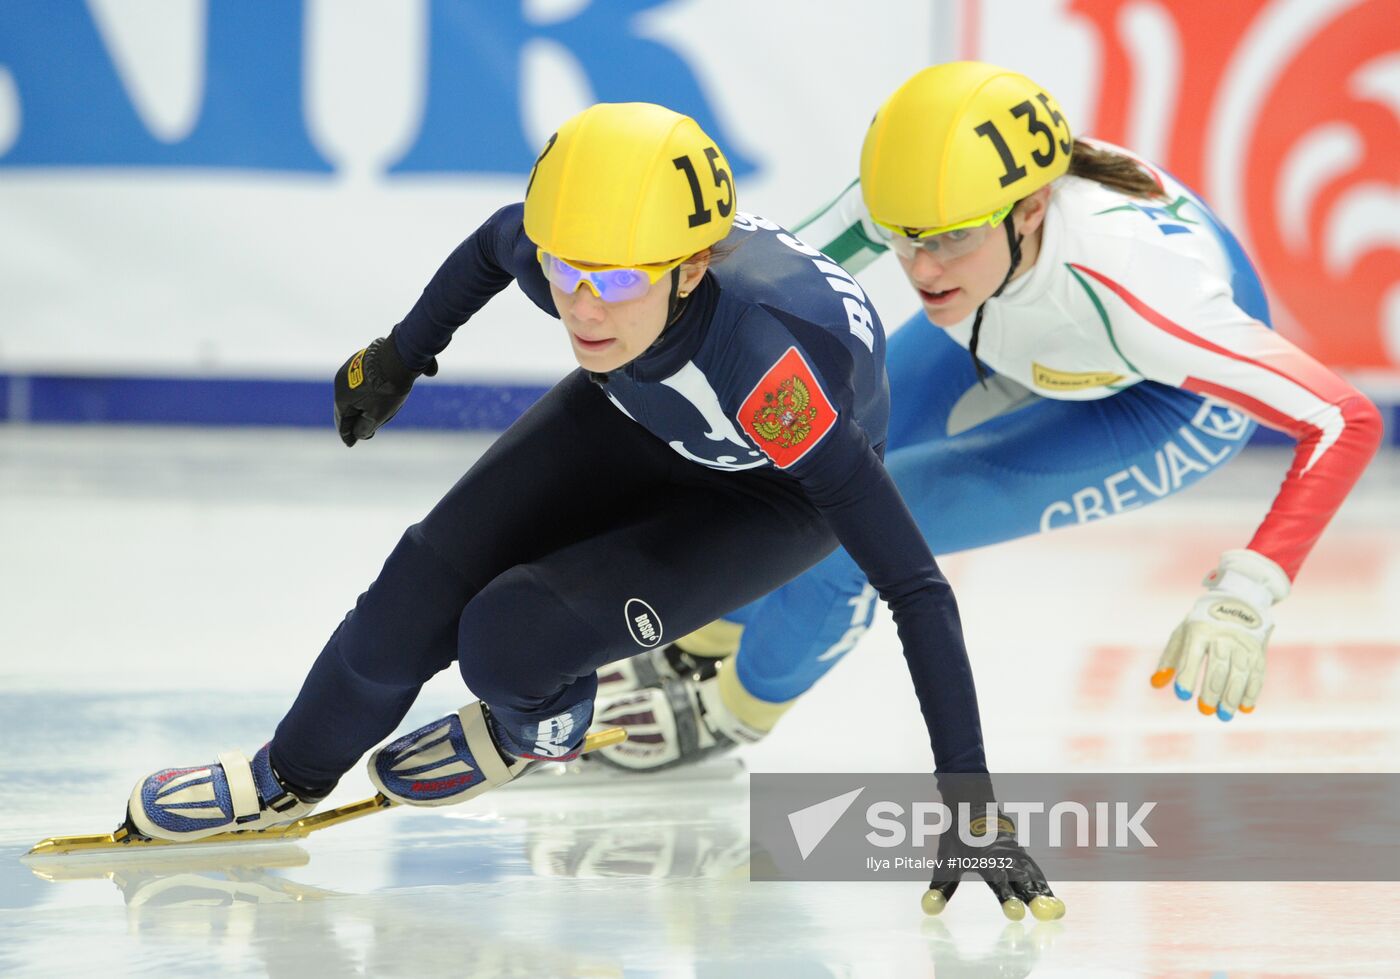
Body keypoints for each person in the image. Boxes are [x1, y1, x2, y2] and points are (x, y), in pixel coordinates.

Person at [122, 101, 1062, 920]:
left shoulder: (770, 372)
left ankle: (547, 723)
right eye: (569, 271)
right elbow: (495, 246)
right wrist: (399, 357)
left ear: (692, 268)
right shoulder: (574, 266)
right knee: (408, 598)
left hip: (766, 491)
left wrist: (970, 806)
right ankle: (282, 777)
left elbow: (914, 584)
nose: (582, 305)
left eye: (615, 280)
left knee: (505, 641)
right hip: (635, 407)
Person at [590, 62, 1384, 773]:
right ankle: (702, 645)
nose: (922, 269)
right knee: (790, 461)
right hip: (1007, 320)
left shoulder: (1142, 292)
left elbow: (1345, 419)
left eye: (948, 241)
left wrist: (1250, 587)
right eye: (902, 242)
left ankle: (726, 716)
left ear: (1032, 208)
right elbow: (757, 281)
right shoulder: (922, 194)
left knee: (854, 532)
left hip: (1159, 398)